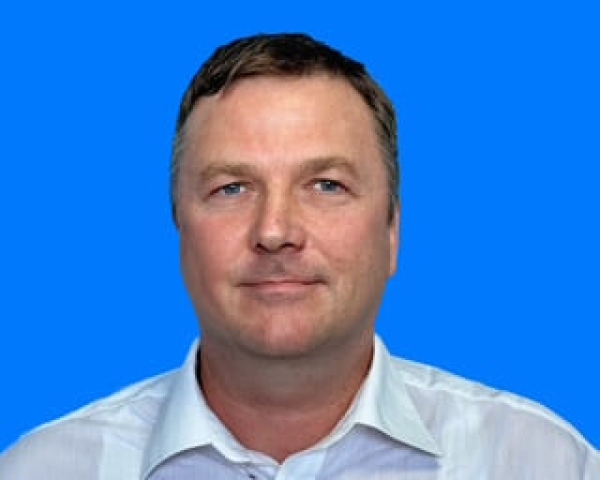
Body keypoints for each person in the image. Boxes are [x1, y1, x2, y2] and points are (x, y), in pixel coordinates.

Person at [1, 32, 598, 480]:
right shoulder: (42, 471)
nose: (275, 230)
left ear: (393, 231)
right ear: (179, 226)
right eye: (232, 188)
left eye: (326, 185)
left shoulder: (540, 462)